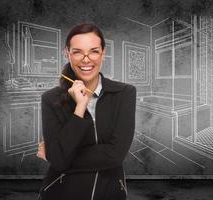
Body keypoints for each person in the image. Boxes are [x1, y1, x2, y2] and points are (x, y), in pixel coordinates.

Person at [37, 22, 136, 200]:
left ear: (103, 53)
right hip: (61, 192)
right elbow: (59, 158)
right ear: (67, 53)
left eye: (94, 51)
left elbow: (115, 155)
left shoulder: (124, 93)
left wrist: (56, 156)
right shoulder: (50, 99)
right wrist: (80, 108)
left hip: (109, 191)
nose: (86, 59)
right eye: (77, 52)